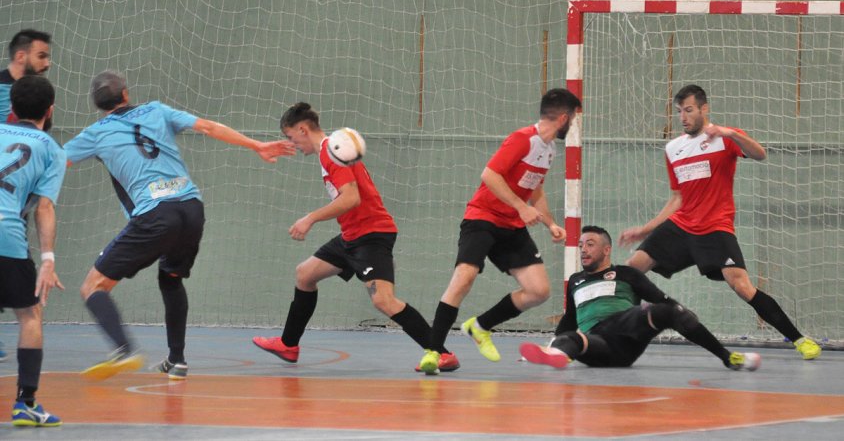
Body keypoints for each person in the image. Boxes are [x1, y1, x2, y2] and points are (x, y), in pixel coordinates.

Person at [64, 70, 295, 380]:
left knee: (93, 287)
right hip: (191, 209)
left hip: (155, 215)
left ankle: (123, 350)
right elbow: (209, 127)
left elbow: (54, 160)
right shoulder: (157, 110)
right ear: (126, 95)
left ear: (97, 104)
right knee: (171, 278)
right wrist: (256, 145)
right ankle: (177, 360)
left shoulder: (95, 134)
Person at [619, 84, 820, 360]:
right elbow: (677, 198)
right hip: (680, 225)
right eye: (679, 112)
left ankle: (799, 340)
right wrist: (645, 229)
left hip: (715, 227)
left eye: (688, 110)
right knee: (630, 271)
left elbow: (760, 154)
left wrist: (729, 132)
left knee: (742, 286)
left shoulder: (725, 139)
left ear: (704, 109)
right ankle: (618, 334)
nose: (683, 117)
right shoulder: (673, 148)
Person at [252, 102, 456, 371]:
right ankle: (289, 345)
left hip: (371, 235)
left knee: (383, 300)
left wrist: (310, 218)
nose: (293, 144)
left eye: (291, 137)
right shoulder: (331, 151)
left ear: (302, 129)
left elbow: (351, 198)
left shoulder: (331, 152)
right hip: (351, 236)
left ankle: (441, 353)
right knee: (305, 274)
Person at [417, 88, 581, 375]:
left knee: (539, 291)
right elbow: (489, 175)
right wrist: (520, 207)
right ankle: (434, 351)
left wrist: (550, 223)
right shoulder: (522, 139)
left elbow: (536, 189)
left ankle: (480, 327)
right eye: (575, 120)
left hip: (511, 226)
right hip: (482, 218)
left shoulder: (550, 150)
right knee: (464, 277)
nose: (574, 126)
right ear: (564, 118)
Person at [520, 226, 761, 371]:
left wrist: (682, 316)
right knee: (572, 338)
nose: (583, 249)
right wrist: (551, 343)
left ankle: (728, 357)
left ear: (606, 250)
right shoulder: (575, 280)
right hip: (601, 348)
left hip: (627, 333)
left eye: (590, 244)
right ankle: (555, 353)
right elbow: (570, 319)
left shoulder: (627, 274)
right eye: (581, 244)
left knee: (667, 310)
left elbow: (661, 299)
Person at [0, 75, 66, 426]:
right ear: (50, 110)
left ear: (11, 109)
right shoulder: (51, 149)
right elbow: (44, 207)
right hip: (6, 236)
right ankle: (26, 403)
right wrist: (47, 260)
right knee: (29, 315)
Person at [0, 30, 52, 364]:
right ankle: (27, 400)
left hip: (14, 204)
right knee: (30, 311)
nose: (47, 63)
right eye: (42, 56)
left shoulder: (39, 103)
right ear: (22, 56)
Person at [0, 30, 52, 123]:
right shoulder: (2, 88)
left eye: (47, 58)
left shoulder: (40, 94)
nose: (47, 64)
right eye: (41, 56)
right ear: (20, 57)